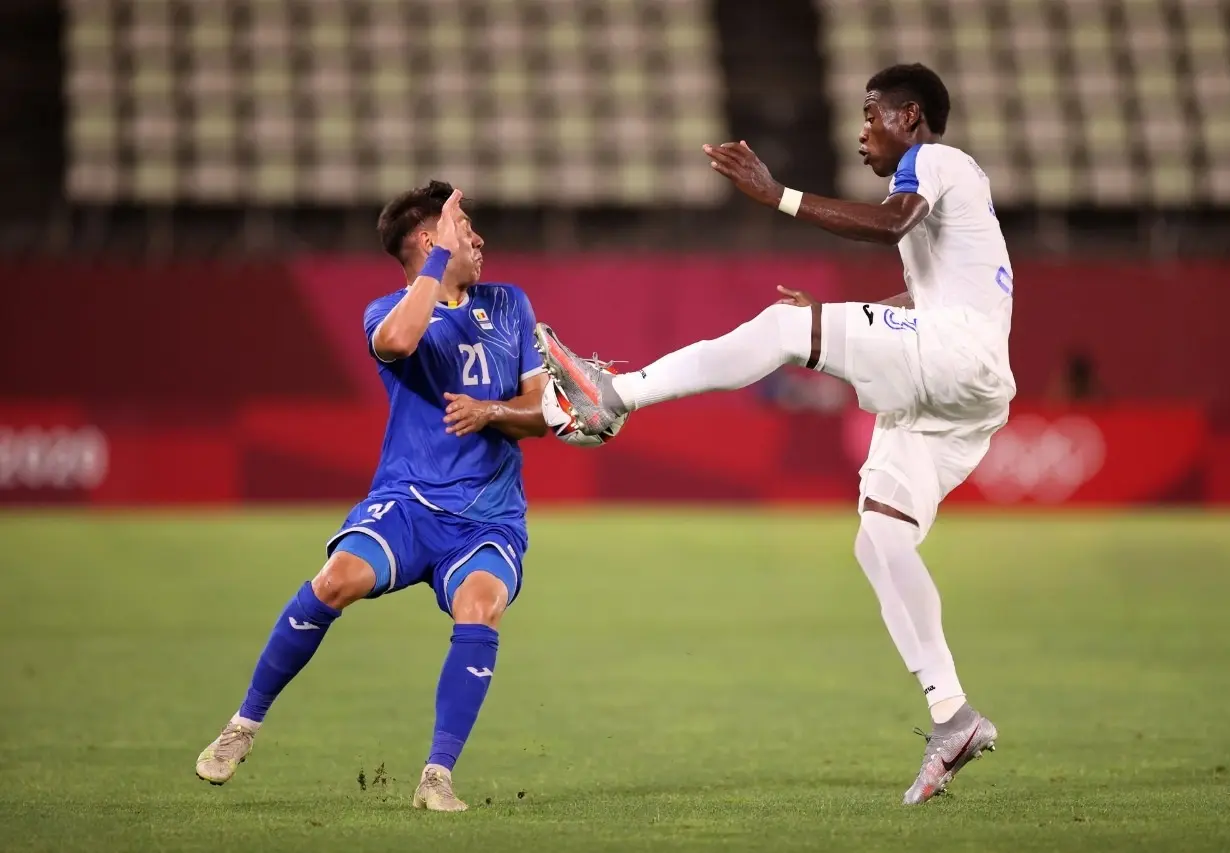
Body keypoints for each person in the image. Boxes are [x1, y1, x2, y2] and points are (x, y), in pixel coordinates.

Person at [536, 64, 1014, 804]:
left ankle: (614, 396)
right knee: (881, 539)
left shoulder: (934, 161)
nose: (862, 131)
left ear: (911, 116)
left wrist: (777, 195)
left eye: (873, 114)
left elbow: (891, 223)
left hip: (955, 357)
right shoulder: (957, 187)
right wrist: (832, 316)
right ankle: (952, 715)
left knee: (782, 330)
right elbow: (928, 293)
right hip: (966, 391)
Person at [195, 182, 550, 812]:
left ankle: (436, 776)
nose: (479, 239)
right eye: (465, 228)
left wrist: (492, 411)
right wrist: (441, 260)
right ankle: (242, 725)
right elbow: (398, 343)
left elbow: (540, 411)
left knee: (481, 606)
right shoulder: (384, 312)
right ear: (430, 240)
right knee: (336, 580)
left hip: (487, 515)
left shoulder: (509, 303)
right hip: (408, 502)